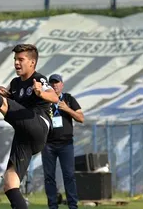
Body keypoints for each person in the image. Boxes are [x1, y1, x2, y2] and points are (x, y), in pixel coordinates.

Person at [0, 44, 58, 209]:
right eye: (15, 59)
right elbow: (5, 93)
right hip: (25, 137)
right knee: (9, 184)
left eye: (21, 59)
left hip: (38, 125)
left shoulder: (38, 79)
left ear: (32, 62)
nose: (16, 63)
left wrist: (40, 93)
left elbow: (54, 97)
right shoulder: (15, 83)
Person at [42, 74, 84, 209]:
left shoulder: (68, 99)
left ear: (62, 84)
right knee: (49, 177)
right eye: (52, 83)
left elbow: (81, 118)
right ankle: (52, 206)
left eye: (57, 82)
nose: (54, 85)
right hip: (48, 144)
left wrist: (67, 109)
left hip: (66, 144)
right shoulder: (43, 100)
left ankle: (73, 205)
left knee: (69, 175)